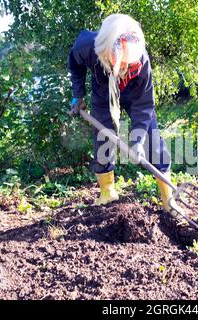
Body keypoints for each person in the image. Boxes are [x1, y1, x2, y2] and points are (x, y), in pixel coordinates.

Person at [68, 13, 184, 217]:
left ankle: (168, 199)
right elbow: (75, 65)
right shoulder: (86, 46)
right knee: (103, 137)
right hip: (103, 91)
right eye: (120, 66)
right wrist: (78, 95)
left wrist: (137, 140)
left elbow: (144, 105)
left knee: (152, 139)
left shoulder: (141, 61)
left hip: (134, 94)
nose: (123, 70)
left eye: (127, 66)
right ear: (104, 54)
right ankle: (107, 192)